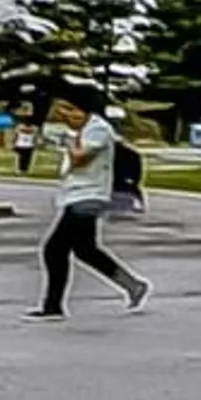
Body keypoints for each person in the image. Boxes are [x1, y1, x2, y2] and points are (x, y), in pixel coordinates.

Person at [31, 85, 150, 320]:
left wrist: (69, 140)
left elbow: (79, 159)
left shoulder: (98, 129)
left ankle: (52, 306)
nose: (66, 115)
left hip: (88, 196)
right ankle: (133, 285)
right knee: (86, 250)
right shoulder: (82, 129)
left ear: (85, 110)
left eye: (71, 110)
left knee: (54, 250)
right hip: (76, 195)